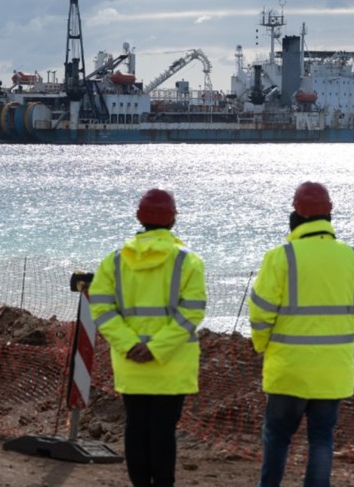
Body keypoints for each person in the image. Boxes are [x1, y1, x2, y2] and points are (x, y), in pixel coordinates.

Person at [249, 181, 354, 487]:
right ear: (328, 216)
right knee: (321, 440)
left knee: (277, 437)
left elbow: (261, 311)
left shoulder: (281, 257)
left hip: (288, 369)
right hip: (332, 370)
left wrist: (263, 345)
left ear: (296, 215)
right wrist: (344, 338)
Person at [89, 188, 207, 487]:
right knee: (163, 430)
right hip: (172, 362)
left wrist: (130, 344)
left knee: (137, 426)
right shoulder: (188, 262)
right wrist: (157, 348)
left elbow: (101, 307)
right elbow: (192, 312)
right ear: (173, 219)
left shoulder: (114, 261)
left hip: (131, 361)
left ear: (139, 218)